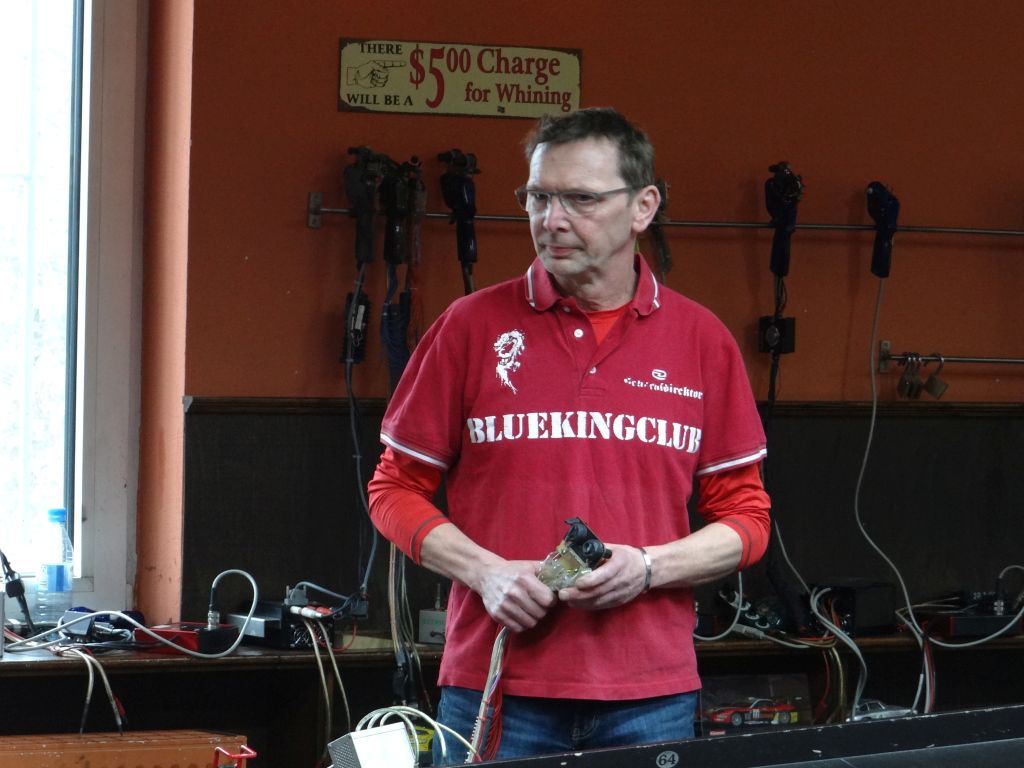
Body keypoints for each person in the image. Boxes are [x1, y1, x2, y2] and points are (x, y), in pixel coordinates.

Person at [368, 107, 771, 764]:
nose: (551, 220)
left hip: (649, 697)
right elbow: (392, 490)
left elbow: (747, 519)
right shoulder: (469, 328)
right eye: (538, 197)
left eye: (581, 199)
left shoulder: (702, 341)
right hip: (495, 688)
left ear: (643, 207)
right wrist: (486, 573)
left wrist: (648, 568)